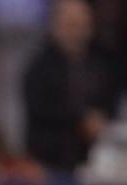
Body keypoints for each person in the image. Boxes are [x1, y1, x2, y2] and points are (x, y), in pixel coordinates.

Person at [22, 0, 120, 173]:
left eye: (82, 25)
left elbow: (112, 105)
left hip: (95, 163)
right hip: (48, 163)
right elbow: (41, 110)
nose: (76, 32)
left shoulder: (103, 66)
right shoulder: (38, 68)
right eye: (70, 25)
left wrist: (100, 120)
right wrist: (80, 121)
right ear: (56, 26)